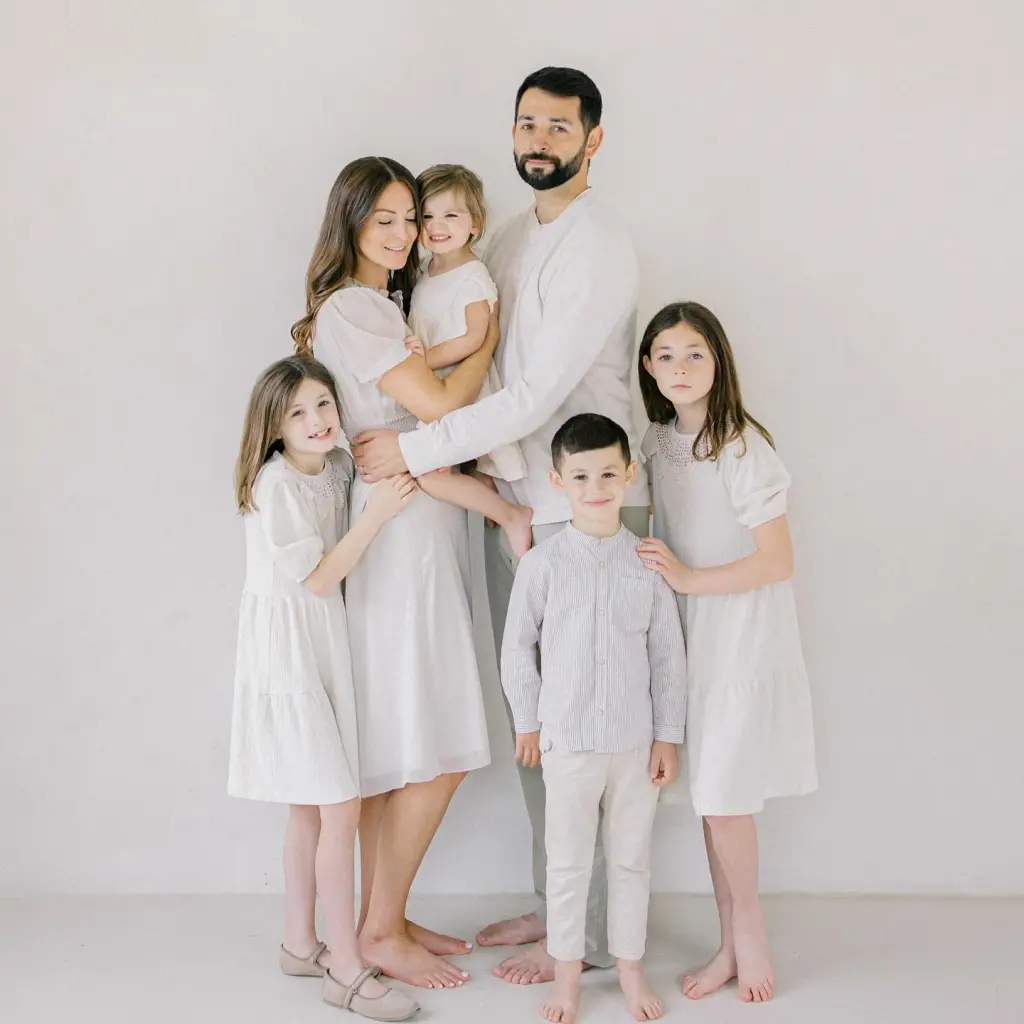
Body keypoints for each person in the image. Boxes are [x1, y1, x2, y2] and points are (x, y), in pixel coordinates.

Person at [351, 67, 648, 985]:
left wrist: (417, 448)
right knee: (539, 720)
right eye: (527, 124)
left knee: (588, 727)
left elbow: (538, 392)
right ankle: (560, 903)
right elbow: (483, 363)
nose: (539, 140)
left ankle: (585, 938)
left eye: (559, 126)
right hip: (517, 501)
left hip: (583, 507)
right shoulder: (509, 239)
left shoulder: (599, 246)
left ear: (593, 139)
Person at [291, 156, 505, 990]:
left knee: (406, 738)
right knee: (436, 737)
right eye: (383, 218)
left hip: (412, 518)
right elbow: (444, 406)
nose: (403, 233)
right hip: (403, 529)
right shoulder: (353, 306)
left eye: (410, 218)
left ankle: (384, 915)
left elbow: (422, 414)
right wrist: (486, 346)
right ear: (349, 223)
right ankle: (379, 928)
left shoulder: (384, 306)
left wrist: (428, 420)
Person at [636, 302, 818, 1003]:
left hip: (739, 632)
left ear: (718, 362)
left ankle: (749, 933)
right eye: (666, 355)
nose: (680, 368)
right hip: (689, 634)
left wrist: (688, 580)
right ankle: (729, 943)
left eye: (695, 354)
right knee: (712, 795)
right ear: (648, 367)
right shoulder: (656, 443)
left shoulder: (741, 446)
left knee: (725, 797)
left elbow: (777, 560)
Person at [228, 355, 419, 1020]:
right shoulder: (276, 484)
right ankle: (344, 966)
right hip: (289, 655)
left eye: (323, 405)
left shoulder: (335, 466)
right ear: (274, 426)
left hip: (321, 644)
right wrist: (377, 516)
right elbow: (315, 578)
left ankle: (299, 942)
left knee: (310, 809)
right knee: (338, 807)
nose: (315, 420)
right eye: (297, 412)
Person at [502, 414, 686, 1024]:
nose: (597, 487)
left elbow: (667, 656)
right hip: (568, 742)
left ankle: (630, 970)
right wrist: (528, 722)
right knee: (568, 862)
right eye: (581, 476)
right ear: (558, 481)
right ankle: (567, 975)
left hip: (634, 743)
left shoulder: (648, 563)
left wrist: (668, 736)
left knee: (631, 860)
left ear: (629, 475)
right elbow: (517, 647)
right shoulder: (543, 564)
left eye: (608, 474)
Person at [407, 163, 532, 555]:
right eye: (427, 215)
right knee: (432, 468)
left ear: (475, 223)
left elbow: (475, 337)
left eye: (451, 215)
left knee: (427, 471)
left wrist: (425, 360)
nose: (437, 226)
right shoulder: (425, 270)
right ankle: (480, 482)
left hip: (460, 383)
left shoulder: (472, 275)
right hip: (434, 384)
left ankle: (512, 515)